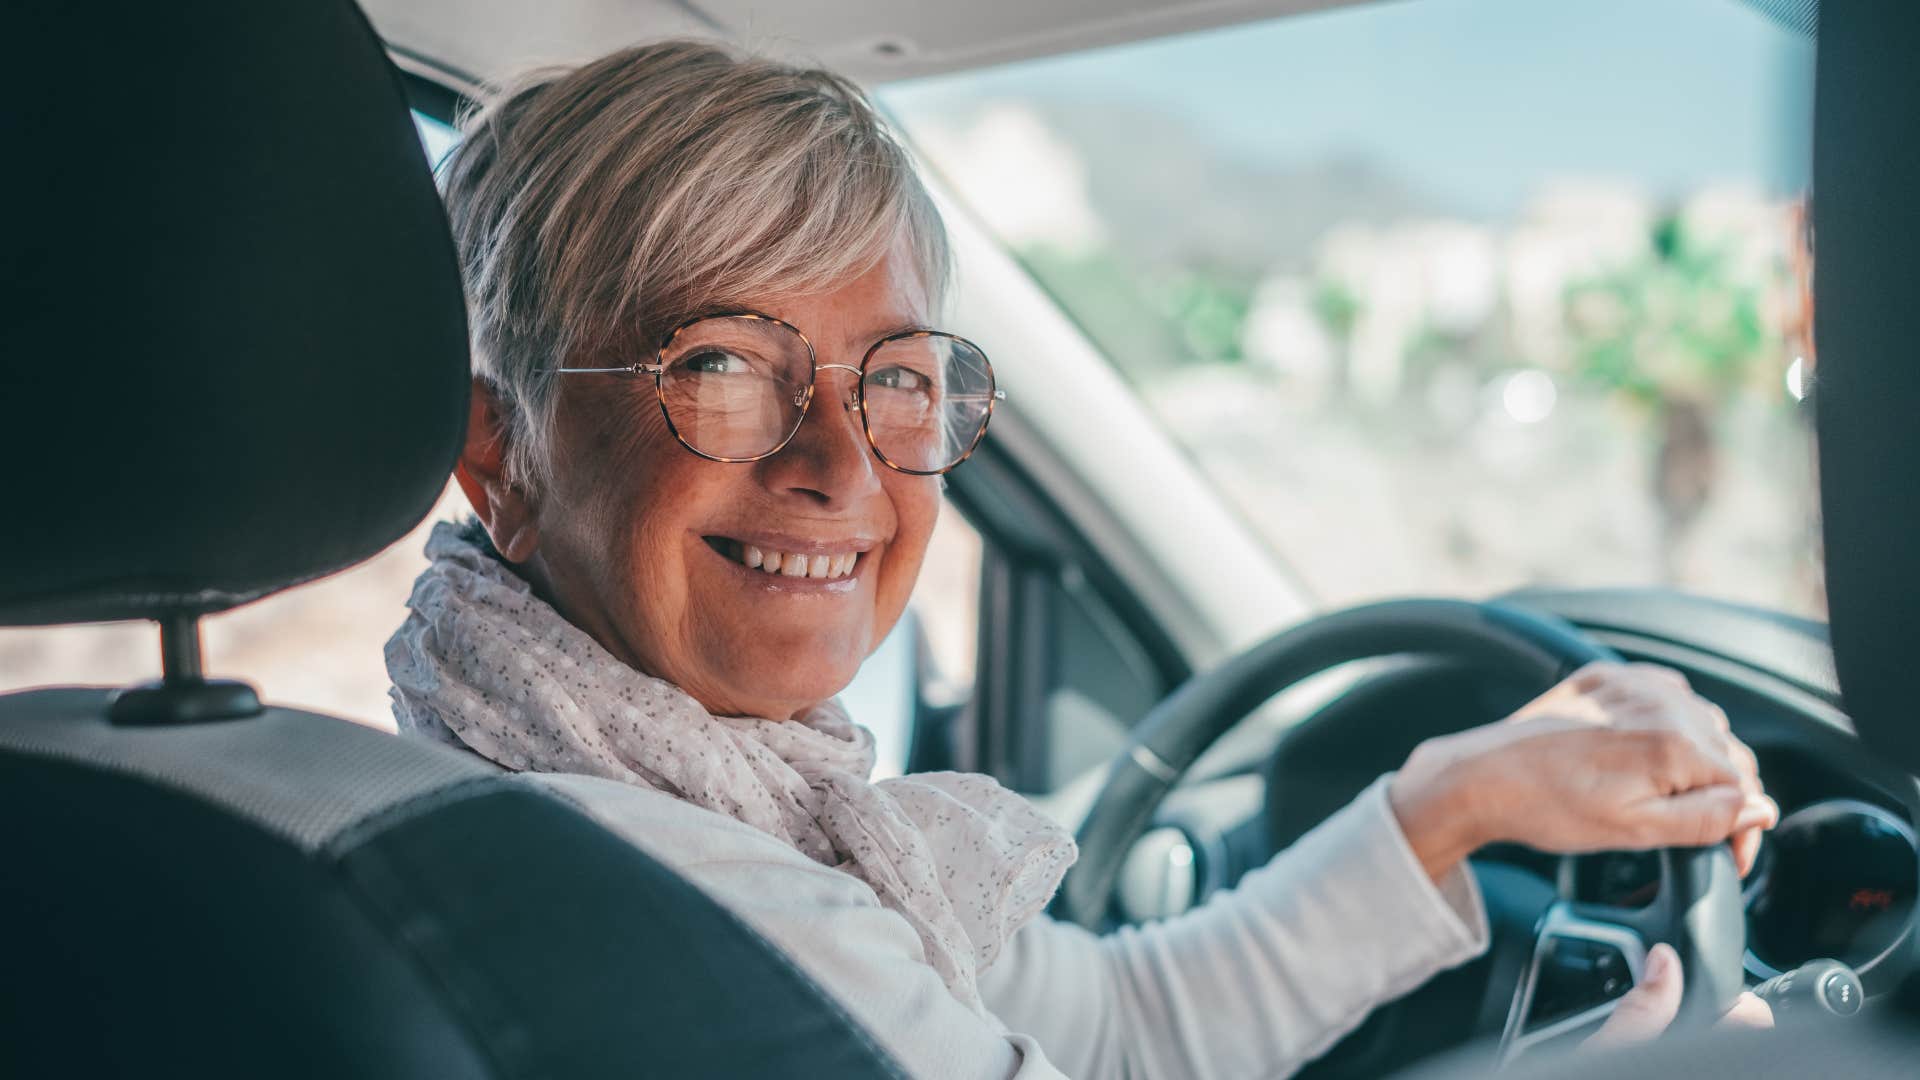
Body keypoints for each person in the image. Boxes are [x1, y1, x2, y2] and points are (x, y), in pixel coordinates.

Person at [386, 39, 1775, 1078]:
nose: (846, 462)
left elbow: (1115, 1032)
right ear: (503, 455)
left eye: (899, 377)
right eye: (726, 365)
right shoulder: (687, 914)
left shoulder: (450, 802)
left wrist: (1451, 800)